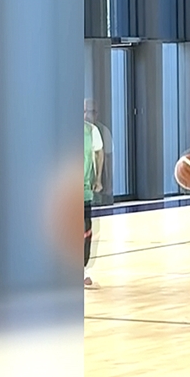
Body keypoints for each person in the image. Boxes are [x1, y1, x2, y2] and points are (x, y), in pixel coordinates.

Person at [84, 119, 104, 288]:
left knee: (85, 230)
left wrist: (98, 179)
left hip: (84, 189)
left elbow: (99, 152)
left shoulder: (91, 131)